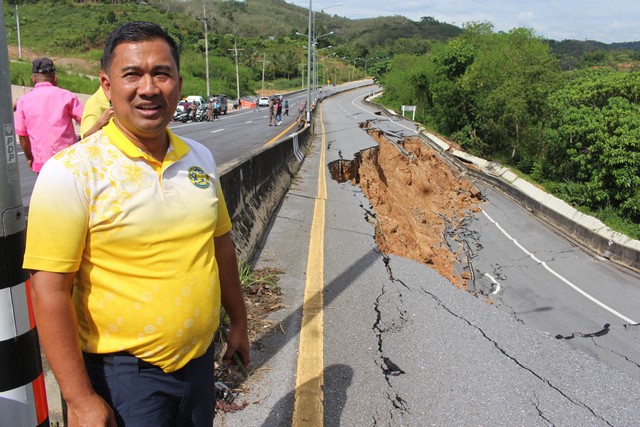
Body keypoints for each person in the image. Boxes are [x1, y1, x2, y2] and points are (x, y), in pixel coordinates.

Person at [24, 21, 250, 427]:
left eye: (160, 74)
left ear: (178, 84)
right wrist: (79, 399)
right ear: (107, 87)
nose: (148, 88)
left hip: (199, 366)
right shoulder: (72, 171)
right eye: (132, 75)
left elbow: (222, 247)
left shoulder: (199, 157)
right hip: (123, 378)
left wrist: (239, 323)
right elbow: (49, 290)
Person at [14, 57, 84, 173]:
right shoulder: (67, 96)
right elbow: (86, 121)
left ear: (33, 79)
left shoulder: (23, 101)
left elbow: (22, 135)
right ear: (55, 78)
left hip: (42, 164)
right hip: (68, 161)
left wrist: (30, 158)